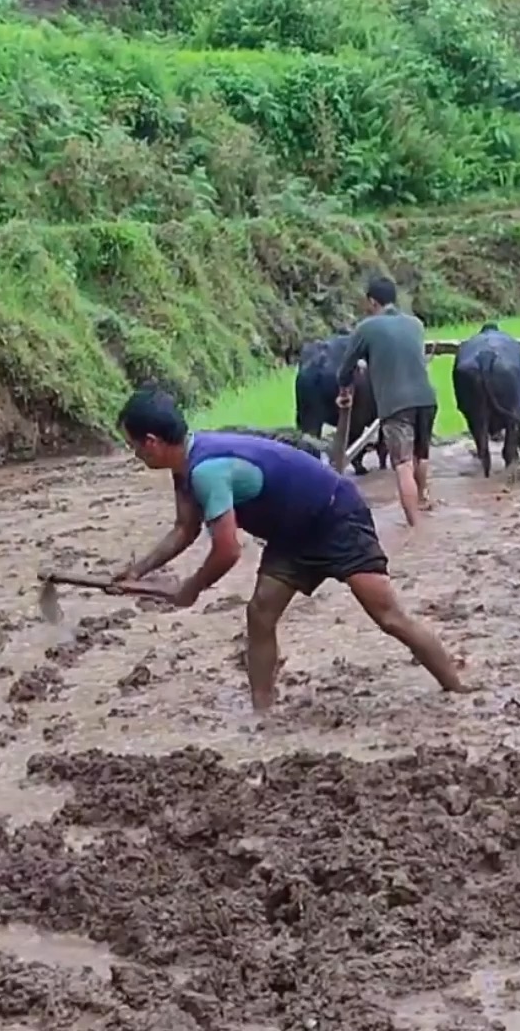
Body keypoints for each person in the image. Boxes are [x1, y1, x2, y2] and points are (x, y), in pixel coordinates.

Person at [111, 387, 474, 713]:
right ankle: (262, 716)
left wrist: (190, 588)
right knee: (260, 614)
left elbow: (227, 551)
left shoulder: (208, 471)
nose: (136, 455)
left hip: (335, 516)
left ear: (153, 442)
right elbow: (184, 529)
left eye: (134, 446)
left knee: (389, 617)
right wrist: (138, 571)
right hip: (291, 534)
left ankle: (458, 691)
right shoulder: (186, 466)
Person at [337, 276, 438, 526]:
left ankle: (415, 526)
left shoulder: (367, 328)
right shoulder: (415, 324)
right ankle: (423, 500)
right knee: (421, 455)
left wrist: (344, 391)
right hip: (427, 399)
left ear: (372, 301)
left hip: (396, 404)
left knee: (402, 464)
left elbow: (345, 369)